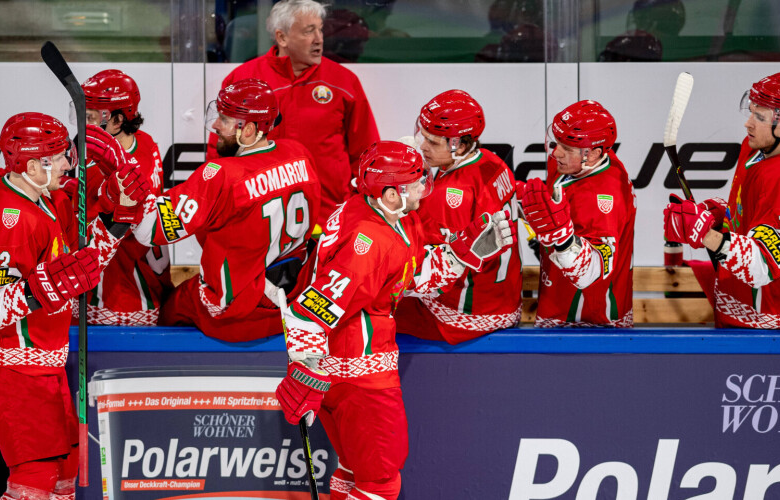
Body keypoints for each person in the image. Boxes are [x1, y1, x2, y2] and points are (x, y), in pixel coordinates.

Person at [273, 140, 516, 500]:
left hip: (344, 373)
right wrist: (306, 368)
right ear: (389, 194)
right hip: (361, 377)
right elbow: (310, 309)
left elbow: (408, 279)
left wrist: (459, 257)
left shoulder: (385, 216)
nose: (423, 187)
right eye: (415, 182)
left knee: (354, 469)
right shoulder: (368, 242)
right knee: (381, 482)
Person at [0, 112, 147, 500]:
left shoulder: (45, 200)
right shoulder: (10, 220)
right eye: (60, 156)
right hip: (10, 360)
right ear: (32, 165)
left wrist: (119, 214)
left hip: (42, 357)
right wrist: (46, 286)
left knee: (65, 468)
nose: (68, 163)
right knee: (36, 474)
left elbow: (83, 264)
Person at [134, 78, 322, 341]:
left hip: (238, 315)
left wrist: (125, 187)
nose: (215, 125)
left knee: (170, 306)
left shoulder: (222, 176)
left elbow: (148, 231)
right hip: (289, 299)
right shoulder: (300, 154)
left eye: (225, 119)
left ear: (248, 130)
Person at [664, 72, 780, 329]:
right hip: (741, 301)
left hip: (772, 316)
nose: (748, 124)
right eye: (751, 112)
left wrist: (707, 235)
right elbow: (751, 210)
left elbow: (763, 263)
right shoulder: (758, 147)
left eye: (759, 117)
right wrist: (715, 212)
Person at [207, 0, 380, 223]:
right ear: (282, 38)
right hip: (261, 218)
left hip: (329, 216)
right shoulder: (242, 80)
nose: (319, 39)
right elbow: (221, 150)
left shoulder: (344, 82)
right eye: (309, 31)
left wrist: (363, 206)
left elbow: (366, 151)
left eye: (320, 29)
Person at [395, 90, 522, 343]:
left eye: (433, 142)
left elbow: (427, 273)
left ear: (461, 145)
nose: (422, 146)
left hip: (464, 313)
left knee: (369, 312)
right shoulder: (492, 161)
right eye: (424, 136)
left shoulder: (448, 197)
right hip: (504, 300)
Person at [519, 100, 637, 328]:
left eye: (567, 148)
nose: (556, 153)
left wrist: (562, 239)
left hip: (587, 320)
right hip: (557, 300)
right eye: (557, 142)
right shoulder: (575, 163)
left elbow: (594, 270)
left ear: (593, 154)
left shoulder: (603, 196)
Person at [73, 69, 173, 326]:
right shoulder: (146, 142)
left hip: (121, 296)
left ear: (117, 121)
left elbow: (101, 221)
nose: (84, 125)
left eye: (91, 117)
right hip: (139, 282)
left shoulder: (124, 169)